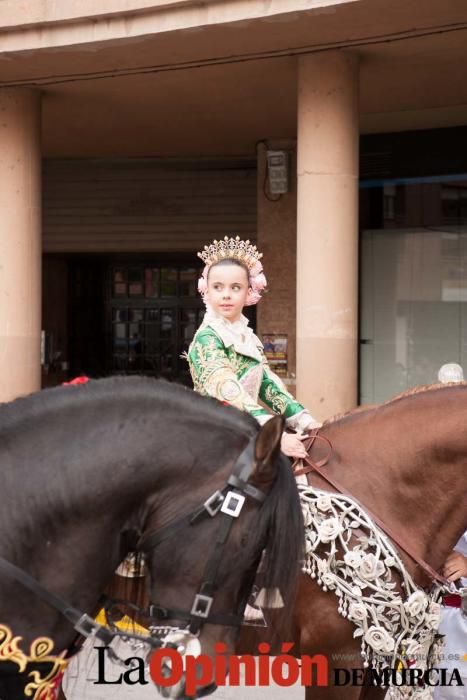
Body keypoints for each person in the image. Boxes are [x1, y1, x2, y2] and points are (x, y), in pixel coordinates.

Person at [187, 236, 321, 460]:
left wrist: (306, 421)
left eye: (235, 287)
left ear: (249, 292)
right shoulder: (207, 338)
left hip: (245, 431)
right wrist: (273, 434)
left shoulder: (247, 337)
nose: (226, 294)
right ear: (206, 292)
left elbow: (268, 386)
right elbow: (227, 390)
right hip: (215, 438)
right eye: (218, 287)